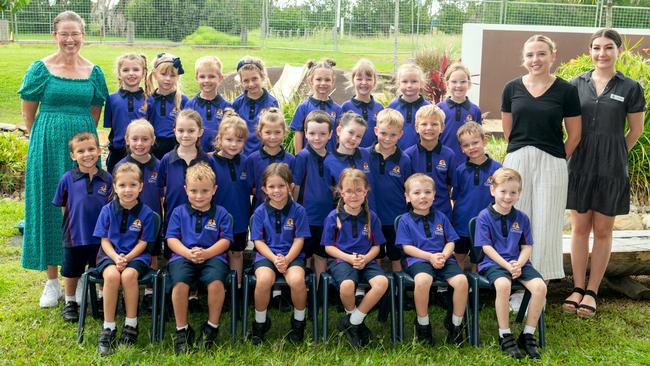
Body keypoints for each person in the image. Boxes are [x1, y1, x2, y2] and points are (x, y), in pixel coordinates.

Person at [19, 10, 109, 308]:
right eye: (64, 34)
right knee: (50, 205)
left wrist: (85, 142)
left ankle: (82, 275)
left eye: (76, 33)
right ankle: (52, 281)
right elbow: (29, 109)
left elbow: (94, 111)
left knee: (84, 207)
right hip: (46, 145)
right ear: (54, 35)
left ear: (84, 35)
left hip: (83, 148)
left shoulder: (93, 71)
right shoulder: (41, 69)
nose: (70, 39)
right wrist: (41, 136)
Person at [563, 29, 646, 318]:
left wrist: (615, 152)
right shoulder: (576, 84)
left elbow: (636, 130)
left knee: (602, 231)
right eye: (596, 47)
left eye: (608, 47)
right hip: (581, 165)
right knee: (579, 229)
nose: (602, 53)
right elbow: (569, 126)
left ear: (618, 50)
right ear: (590, 51)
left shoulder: (631, 87)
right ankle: (576, 287)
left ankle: (592, 291)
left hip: (611, 169)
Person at [501, 34, 582, 296]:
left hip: (552, 162)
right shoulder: (511, 88)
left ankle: (539, 287)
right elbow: (508, 131)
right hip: (518, 160)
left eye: (541, 54)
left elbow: (575, 135)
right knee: (517, 220)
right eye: (530, 55)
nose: (535, 60)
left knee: (547, 222)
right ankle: (516, 284)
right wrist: (522, 155)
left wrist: (556, 159)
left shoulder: (566, 91)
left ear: (553, 55)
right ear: (524, 59)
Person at [474, 168, 547, 359]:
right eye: (503, 192)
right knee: (504, 285)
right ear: (493, 191)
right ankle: (505, 334)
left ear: (519, 193)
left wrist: (519, 264)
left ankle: (528, 334)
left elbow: (527, 246)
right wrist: (507, 267)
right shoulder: (484, 216)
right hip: (494, 264)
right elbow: (486, 248)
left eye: (513, 192)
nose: (508, 197)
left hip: (519, 263)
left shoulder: (522, 218)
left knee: (540, 287)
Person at [165, 162, 233, 354]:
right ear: (186, 189)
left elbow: (226, 241)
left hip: (213, 257)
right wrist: (187, 253)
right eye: (194, 190)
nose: (199, 196)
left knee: (216, 284)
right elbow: (171, 239)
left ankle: (211, 327)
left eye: (205, 191)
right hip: (182, 256)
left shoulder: (221, 214)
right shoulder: (178, 212)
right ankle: (182, 330)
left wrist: (207, 253)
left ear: (214, 190)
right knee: (180, 284)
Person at [395, 173, 468, 345]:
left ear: (434, 195)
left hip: (443, 258)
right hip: (418, 260)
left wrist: (444, 254)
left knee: (462, 281)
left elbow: (451, 241)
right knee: (422, 280)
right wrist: (429, 256)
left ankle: (455, 325)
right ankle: (423, 324)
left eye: (427, 192)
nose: (423, 196)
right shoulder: (405, 220)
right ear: (407, 197)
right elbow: (407, 248)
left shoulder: (441, 217)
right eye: (417, 193)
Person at [93, 162, 155, 355]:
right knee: (111, 277)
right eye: (122, 186)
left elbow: (144, 242)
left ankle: (131, 325)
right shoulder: (107, 210)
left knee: (128, 276)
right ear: (115, 187)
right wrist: (115, 257)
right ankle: (108, 327)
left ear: (141, 187)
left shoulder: (146, 213)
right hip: (109, 254)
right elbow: (104, 240)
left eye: (132, 185)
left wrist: (127, 258)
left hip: (136, 256)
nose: (127, 190)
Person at [322, 168, 389, 348]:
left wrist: (366, 259)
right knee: (347, 286)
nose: (354, 195)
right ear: (341, 192)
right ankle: (355, 322)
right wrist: (349, 259)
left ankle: (353, 322)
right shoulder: (333, 217)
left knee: (382, 282)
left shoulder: (371, 217)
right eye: (349, 191)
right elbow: (328, 247)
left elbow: (377, 246)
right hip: (341, 260)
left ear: (366, 191)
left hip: (367, 260)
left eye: (359, 190)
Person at [52, 132, 112, 322]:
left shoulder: (107, 179)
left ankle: (102, 299)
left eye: (91, 149)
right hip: (74, 236)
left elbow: (112, 208)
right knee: (71, 271)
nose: (87, 154)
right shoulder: (67, 179)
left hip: (100, 239)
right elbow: (63, 206)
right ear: (73, 155)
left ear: (99, 151)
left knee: (101, 270)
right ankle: (70, 302)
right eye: (81, 151)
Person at [249, 163, 311, 344]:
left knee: (297, 280)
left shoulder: (299, 211)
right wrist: (274, 259)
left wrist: (288, 259)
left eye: (281, 186)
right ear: (264, 189)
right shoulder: (260, 212)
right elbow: (258, 241)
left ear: (290, 186)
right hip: (267, 256)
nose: (277, 190)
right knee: (264, 280)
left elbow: (299, 239)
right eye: (272, 187)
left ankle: (299, 322)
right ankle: (260, 323)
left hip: (292, 256)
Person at [114, 119, 162, 307]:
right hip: (128, 223)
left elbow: (163, 196)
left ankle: (150, 292)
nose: (139, 144)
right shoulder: (120, 166)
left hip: (152, 220)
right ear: (127, 140)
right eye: (135, 139)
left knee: (152, 254)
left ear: (153, 140)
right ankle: (125, 290)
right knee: (128, 254)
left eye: (145, 139)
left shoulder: (159, 166)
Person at [364, 108, 412, 272]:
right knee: (374, 257)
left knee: (396, 257)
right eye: (383, 133)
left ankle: (397, 293)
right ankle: (378, 290)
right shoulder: (364, 155)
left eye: (393, 135)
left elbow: (408, 189)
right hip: (369, 216)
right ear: (376, 130)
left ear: (401, 134)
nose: (387, 138)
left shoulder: (404, 160)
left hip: (395, 218)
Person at [451, 122, 501, 268]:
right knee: (458, 257)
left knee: (477, 260)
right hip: (461, 223)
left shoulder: (497, 169)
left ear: (484, 141)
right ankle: (455, 286)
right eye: (466, 145)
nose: (471, 147)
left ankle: (475, 289)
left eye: (475, 142)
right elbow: (456, 196)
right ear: (461, 148)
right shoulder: (460, 170)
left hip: (485, 224)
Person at [292, 110, 334, 283]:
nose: (317, 138)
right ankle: (304, 289)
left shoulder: (333, 158)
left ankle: (319, 291)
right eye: (312, 133)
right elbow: (296, 186)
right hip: (307, 217)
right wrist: (295, 211)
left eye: (322, 134)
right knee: (305, 256)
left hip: (326, 218)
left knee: (321, 255)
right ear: (305, 133)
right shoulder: (303, 156)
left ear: (330, 135)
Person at [212, 111, 250, 286]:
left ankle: (237, 289)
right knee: (216, 253)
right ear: (219, 138)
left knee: (236, 253)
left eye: (239, 140)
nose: (234, 144)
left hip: (239, 219)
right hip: (215, 219)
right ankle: (217, 287)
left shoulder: (246, 162)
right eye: (229, 139)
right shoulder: (210, 161)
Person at [405, 105, 455, 220]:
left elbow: (450, 185)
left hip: (443, 213)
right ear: (416, 127)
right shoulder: (408, 155)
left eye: (434, 124)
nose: (429, 128)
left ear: (442, 127)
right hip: (415, 215)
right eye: (424, 124)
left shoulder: (449, 155)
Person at [104, 53, 150, 172]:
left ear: (143, 73)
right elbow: (111, 127)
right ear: (119, 74)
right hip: (118, 152)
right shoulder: (111, 99)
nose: (131, 73)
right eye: (126, 70)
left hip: (142, 152)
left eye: (135, 69)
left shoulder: (149, 100)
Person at [246, 108, 295, 208]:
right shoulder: (252, 159)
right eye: (268, 132)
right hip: (259, 212)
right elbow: (251, 188)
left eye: (277, 132)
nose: (273, 137)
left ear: (284, 132)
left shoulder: (291, 160)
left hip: (285, 213)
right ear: (260, 133)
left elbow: (292, 187)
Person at [232, 56, 280, 156]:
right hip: (241, 154)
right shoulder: (237, 103)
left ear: (262, 77)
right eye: (246, 80)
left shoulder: (272, 103)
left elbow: (275, 129)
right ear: (240, 82)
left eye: (254, 79)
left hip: (263, 155)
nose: (251, 84)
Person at [437, 62, 483, 168]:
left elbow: (478, 138)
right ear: (447, 84)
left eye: (463, 82)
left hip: (466, 162)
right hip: (442, 161)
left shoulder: (475, 110)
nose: (458, 85)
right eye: (454, 82)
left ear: (469, 84)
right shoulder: (439, 108)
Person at [290, 58, 341, 152]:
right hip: (308, 159)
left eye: (327, 80)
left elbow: (339, 136)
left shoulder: (338, 109)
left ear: (333, 81)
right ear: (311, 81)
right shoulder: (303, 107)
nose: (323, 83)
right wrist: (298, 157)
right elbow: (298, 133)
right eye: (318, 79)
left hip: (330, 159)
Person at [185, 56, 231, 154]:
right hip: (195, 155)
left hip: (220, 156)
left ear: (221, 78)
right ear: (196, 78)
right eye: (202, 77)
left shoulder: (227, 107)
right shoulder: (190, 105)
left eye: (211, 76)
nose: (206, 80)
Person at [147, 52, 189, 159]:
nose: (168, 79)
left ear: (178, 77)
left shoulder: (183, 100)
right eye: (163, 74)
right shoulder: (148, 100)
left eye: (172, 75)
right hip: (152, 147)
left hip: (176, 147)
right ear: (155, 74)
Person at [340, 58, 384, 148]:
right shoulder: (346, 107)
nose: (364, 83)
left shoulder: (379, 108)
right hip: (351, 154)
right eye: (359, 79)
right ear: (353, 81)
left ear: (374, 81)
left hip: (373, 156)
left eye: (368, 79)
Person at [388, 63, 431, 150]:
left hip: (420, 156)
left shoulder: (428, 108)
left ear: (421, 83)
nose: (409, 85)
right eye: (405, 81)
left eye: (414, 81)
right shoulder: (392, 108)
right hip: (396, 157)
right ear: (398, 83)